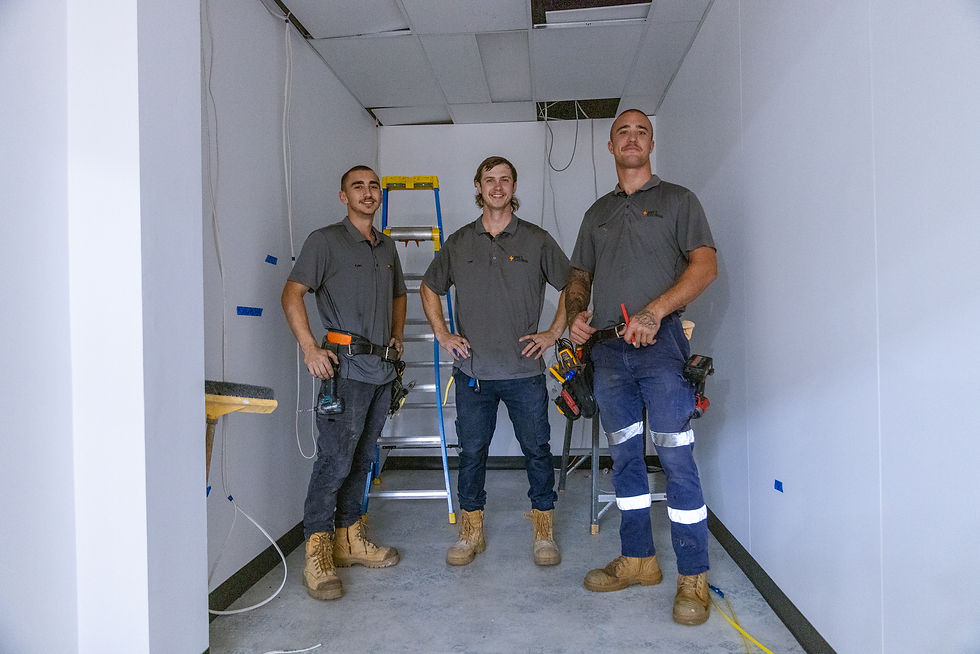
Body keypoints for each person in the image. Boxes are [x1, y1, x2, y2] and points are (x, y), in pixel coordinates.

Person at [565, 110, 718, 625]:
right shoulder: (597, 212)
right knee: (625, 458)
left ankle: (693, 575)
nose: (632, 138)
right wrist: (575, 314)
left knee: (676, 459)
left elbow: (705, 266)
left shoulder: (679, 200)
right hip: (607, 353)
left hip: (660, 348)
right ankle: (638, 561)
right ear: (610, 146)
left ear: (652, 142)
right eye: (622, 132)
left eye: (641, 131)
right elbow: (580, 275)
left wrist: (656, 311)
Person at [420, 156, 570, 567]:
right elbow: (429, 288)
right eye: (490, 180)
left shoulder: (537, 240)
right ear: (479, 186)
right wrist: (443, 333)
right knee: (472, 452)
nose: (498, 186)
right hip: (474, 374)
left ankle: (544, 530)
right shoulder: (459, 242)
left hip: (524, 373)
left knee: (537, 451)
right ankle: (471, 532)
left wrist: (553, 334)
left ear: (514, 186)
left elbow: (574, 287)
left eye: (505, 179)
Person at [281, 165, 407, 601]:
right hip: (345, 371)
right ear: (343, 196)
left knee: (362, 460)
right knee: (334, 462)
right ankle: (316, 551)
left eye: (374, 186)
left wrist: (397, 336)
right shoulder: (325, 241)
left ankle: (349, 540)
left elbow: (399, 294)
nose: (368, 193)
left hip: (381, 371)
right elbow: (291, 293)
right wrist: (309, 349)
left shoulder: (387, 246)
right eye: (359, 187)